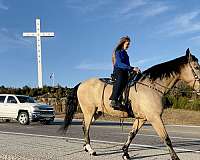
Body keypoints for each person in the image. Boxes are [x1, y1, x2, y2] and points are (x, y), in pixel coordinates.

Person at [109, 36, 140, 110]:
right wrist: (132, 68)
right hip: (119, 70)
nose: (128, 46)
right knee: (121, 80)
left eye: (129, 44)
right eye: (127, 44)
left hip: (125, 70)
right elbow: (119, 64)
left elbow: (128, 65)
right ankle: (114, 100)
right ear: (122, 43)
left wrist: (134, 71)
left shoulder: (126, 54)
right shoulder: (118, 52)